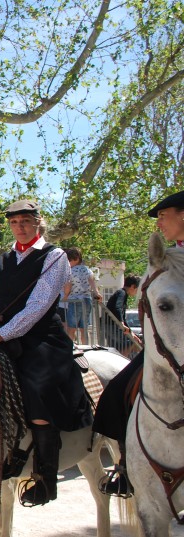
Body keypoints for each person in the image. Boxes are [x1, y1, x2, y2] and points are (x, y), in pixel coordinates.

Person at [0, 199, 91, 506]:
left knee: (37, 386)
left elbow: (38, 306)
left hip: (41, 338)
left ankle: (44, 478)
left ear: (39, 222)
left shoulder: (55, 257)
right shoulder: (3, 259)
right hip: (0, 336)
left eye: (25, 221)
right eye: (14, 223)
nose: (20, 227)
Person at [94, 189, 184, 497]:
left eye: (163, 216)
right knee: (117, 393)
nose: (159, 224)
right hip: (167, 349)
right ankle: (126, 468)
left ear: (183, 214)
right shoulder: (168, 256)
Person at [63, 247, 101, 345]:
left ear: (75, 259)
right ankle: (86, 347)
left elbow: (68, 286)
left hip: (74, 301)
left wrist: (66, 296)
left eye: (69, 260)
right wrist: (97, 293)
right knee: (84, 328)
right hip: (86, 300)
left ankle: (69, 347)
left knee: (71, 328)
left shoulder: (70, 272)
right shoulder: (88, 270)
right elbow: (92, 282)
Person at [104, 275, 141, 357]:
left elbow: (123, 317)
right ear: (132, 286)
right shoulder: (122, 293)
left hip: (111, 326)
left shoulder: (123, 294)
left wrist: (132, 334)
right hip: (111, 326)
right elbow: (118, 307)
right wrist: (122, 324)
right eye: (137, 289)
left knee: (129, 342)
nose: (137, 292)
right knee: (133, 343)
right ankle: (122, 361)